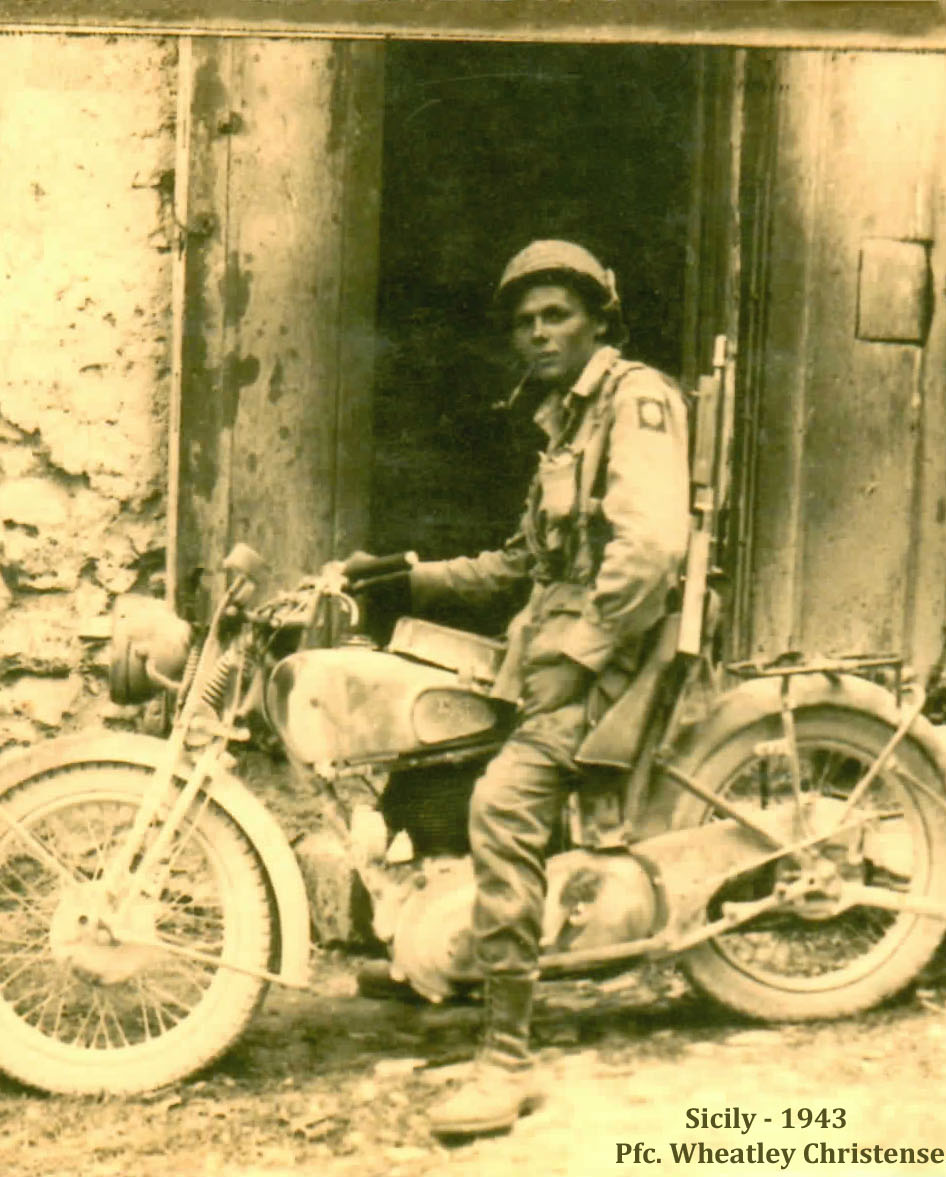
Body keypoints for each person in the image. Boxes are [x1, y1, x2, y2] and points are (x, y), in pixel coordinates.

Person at [348, 241, 689, 1138]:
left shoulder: (637, 400)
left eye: (557, 316)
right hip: (545, 662)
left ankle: (508, 1058)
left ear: (597, 321)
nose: (538, 332)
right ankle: (437, 947)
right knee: (427, 762)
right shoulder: (563, 421)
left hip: (610, 665)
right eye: (525, 320)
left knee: (501, 806)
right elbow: (518, 566)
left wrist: (582, 652)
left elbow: (650, 549)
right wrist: (403, 578)